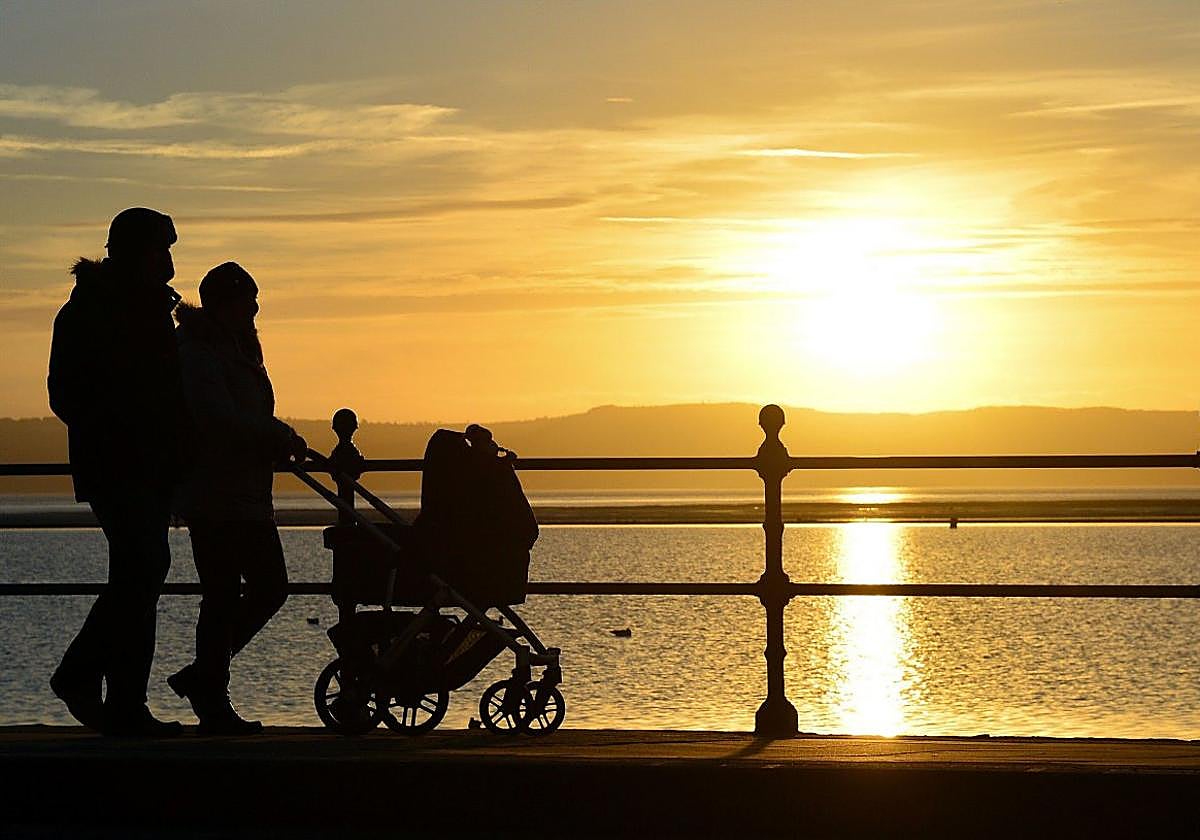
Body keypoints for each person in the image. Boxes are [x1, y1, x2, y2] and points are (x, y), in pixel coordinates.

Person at [48, 207, 187, 736]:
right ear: (135, 254)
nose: (170, 263)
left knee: (143, 574)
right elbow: (66, 393)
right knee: (143, 569)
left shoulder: (147, 310)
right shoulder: (92, 310)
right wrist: (125, 424)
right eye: (162, 250)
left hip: (147, 464)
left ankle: (124, 701)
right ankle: (84, 676)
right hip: (118, 463)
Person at [167, 262, 306, 735]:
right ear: (224, 304)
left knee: (267, 588)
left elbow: (240, 415)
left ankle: (204, 676)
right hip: (214, 492)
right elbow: (218, 418)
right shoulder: (201, 351)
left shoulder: (237, 347)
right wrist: (276, 433)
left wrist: (269, 438)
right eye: (248, 300)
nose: (255, 308)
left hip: (245, 490)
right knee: (224, 593)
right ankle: (210, 692)